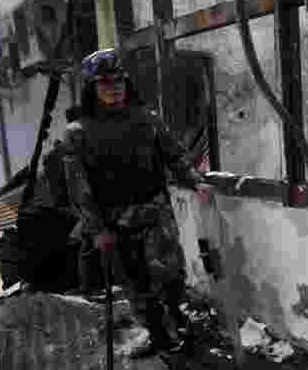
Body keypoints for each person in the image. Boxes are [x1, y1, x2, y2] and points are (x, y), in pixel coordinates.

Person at [62, 48, 209, 353]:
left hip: (155, 211)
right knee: (135, 283)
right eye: (105, 84)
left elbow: (175, 157)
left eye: (118, 82)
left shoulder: (148, 120)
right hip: (115, 220)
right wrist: (97, 229)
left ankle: (180, 326)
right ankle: (157, 335)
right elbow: (80, 188)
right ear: (92, 88)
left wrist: (196, 182)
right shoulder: (78, 133)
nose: (113, 90)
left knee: (170, 274)